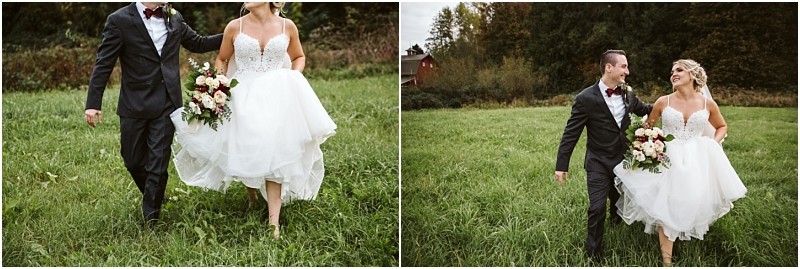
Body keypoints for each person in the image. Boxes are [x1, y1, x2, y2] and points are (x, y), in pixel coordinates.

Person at [169, 2, 337, 239]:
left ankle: (274, 223)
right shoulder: (234, 27)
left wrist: (292, 77)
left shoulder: (287, 26)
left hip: (278, 94)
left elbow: (298, 56)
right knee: (249, 145)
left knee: (274, 150)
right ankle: (251, 194)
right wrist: (218, 83)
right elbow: (223, 59)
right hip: (244, 94)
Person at [84, 2, 223, 224]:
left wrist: (237, 30)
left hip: (168, 101)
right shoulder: (119, 20)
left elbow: (198, 43)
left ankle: (151, 218)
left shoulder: (174, 17)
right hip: (134, 103)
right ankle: (155, 192)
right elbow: (104, 63)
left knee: (158, 162)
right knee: (132, 160)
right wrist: (93, 103)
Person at [612, 59, 747, 266]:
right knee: (667, 202)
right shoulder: (663, 102)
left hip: (697, 157)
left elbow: (721, 126)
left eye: (679, 70)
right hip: (669, 157)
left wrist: (712, 144)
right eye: (672, 71)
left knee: (692, 199)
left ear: (692, 75)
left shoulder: (706, 103)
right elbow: (648, 128)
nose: (673, 74)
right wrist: (648, 146)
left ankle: (684, 228)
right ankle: (667, 261)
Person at [555, 50, 653, 262]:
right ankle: (593, 256)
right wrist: (561, 165)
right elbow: (571, 133)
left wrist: (672, 105)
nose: (627, 71)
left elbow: (645, 109)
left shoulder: (628, 93)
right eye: (623, 66)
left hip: (624, 160)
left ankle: (617, 224)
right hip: (598, 161)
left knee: (618, 201)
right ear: (609, 68)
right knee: (597, 208)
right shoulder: (585, 98)